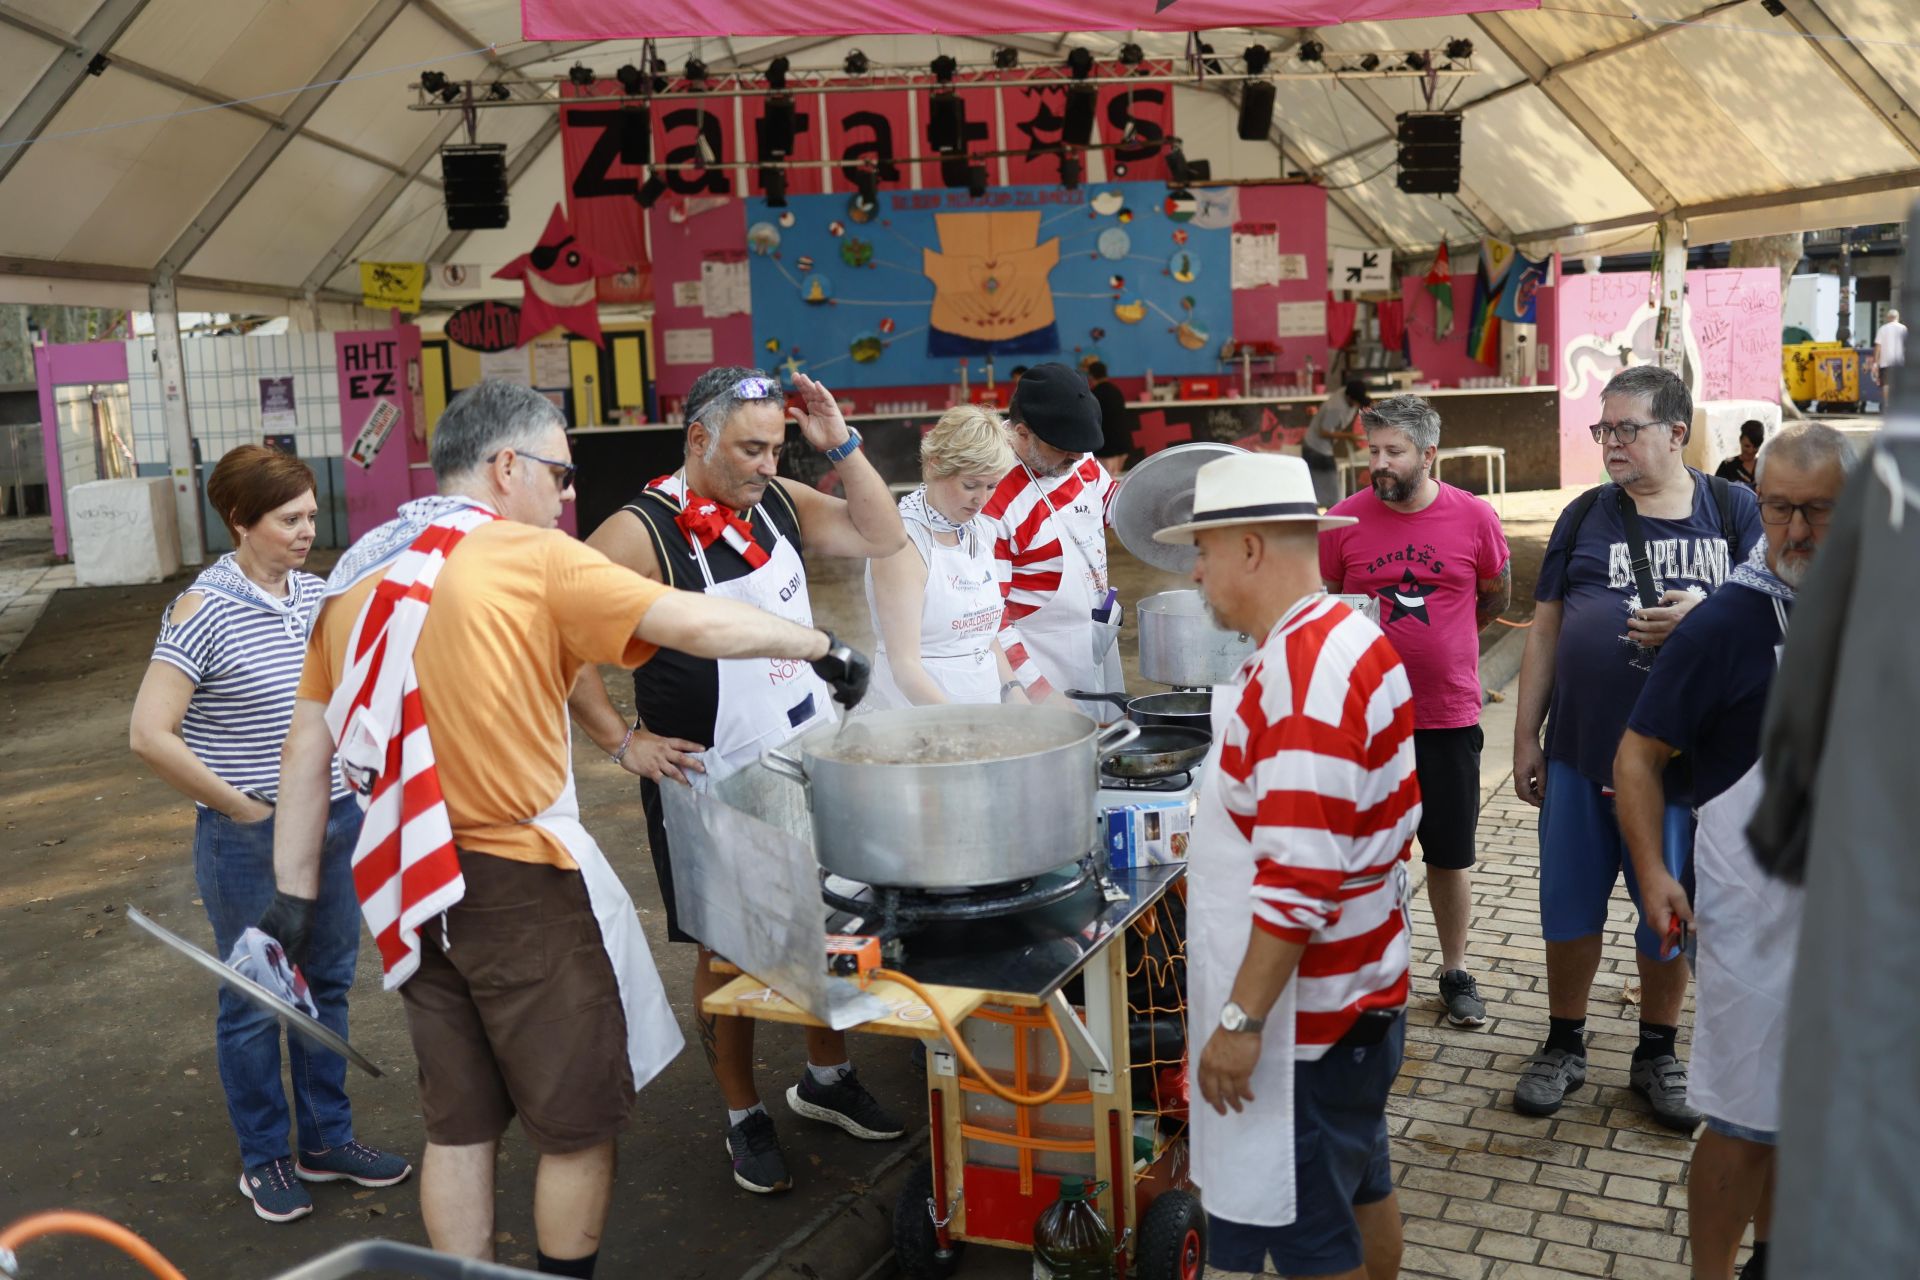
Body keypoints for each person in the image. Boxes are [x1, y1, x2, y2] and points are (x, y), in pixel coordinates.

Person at [262, 381, 871, 1276]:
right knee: (578, 1126)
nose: (567, 496)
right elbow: (690, 621)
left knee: (459, 1127)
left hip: (404, 881)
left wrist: (290, 902)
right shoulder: (527, 554)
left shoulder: (359, 569)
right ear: (506, 467)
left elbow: (306, 752)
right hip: (513, 877)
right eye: (559, 473)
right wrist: (822, 648)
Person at [569, 365, 907, 1197]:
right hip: (708, 774)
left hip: (806, 749)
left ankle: (825, 1078)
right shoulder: (639, 533)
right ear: (698, 438)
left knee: (828, 919)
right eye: (750, 448)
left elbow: (881, 534)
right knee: (729, 951)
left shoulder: (780, 500)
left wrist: (842, 445)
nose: (765, 462)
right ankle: (741, 1113)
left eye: (775, 446)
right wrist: (622, 741)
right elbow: (556, 641)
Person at [129, 445, 410, 1224]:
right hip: (248, 837)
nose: (305, 532)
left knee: (326, 985)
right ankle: (266, 1159)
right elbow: (150, 734)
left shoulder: (319, 594)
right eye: (289, 520)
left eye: (312, 516)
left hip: (333, 820)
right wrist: (245, 808)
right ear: (239, 522)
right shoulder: (201, 608)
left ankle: (326, 1139)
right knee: (256, 999)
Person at [1167, 452, 1419, 1280]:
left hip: (1309, 1027)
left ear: (1248, 548)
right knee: (1361, 1187)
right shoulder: (1343, 634)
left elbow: (1299, 882)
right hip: (1360, 998)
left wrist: (1238, 1025)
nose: (1196, 572)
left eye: (1202, 550)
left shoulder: (1303, 675)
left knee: (1317, 1243)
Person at [1614, 423, 1853, 1280]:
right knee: (1749, 1114)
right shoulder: (1727, 622)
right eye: (1779, 508)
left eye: (1817, 512)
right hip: (1756, 910)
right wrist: (1651, 873)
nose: (1793, 531)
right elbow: (1636, 758)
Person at [1510, 364, 1762, 1127]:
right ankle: (1564, 1041)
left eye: (1627, 428)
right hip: (1583, 751)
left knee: (1670, 914)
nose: (1610, 443)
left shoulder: (1733, 508)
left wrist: (1706, 616)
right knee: (1568, 905)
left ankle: (1658, 1052)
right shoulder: (1584, 516)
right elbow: (1547, 625)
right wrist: (1526, 734)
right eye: (1603, 429)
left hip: (1692, 769)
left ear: (1676, 433)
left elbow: (1781, 614)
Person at [1319, 394, 1510, 1031]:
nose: (1379, 463)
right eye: (1372, 450)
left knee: (1449, 854)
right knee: (1370, 855)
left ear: (1429, 454)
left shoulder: (1474, 517)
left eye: (1393, 452)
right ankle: (1377, 972)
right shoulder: (1342, 521)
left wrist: (1449, 646)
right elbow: (1325, 607)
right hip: (1363, 722)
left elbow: (1495, 592)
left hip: (1447, 715)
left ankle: (1455, 970)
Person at [981, 361, 1122, 721]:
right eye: (1064, 451)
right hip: (1038, 660)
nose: (1076, 460)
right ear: (1022, 433)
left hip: (1094, 637)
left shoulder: (1078, 456)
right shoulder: (994, 503)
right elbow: (991, 620)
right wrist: (1038, 692)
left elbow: (1108, 506)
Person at [864, 404, 1023, 707]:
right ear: (935, 466)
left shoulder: (981, 531)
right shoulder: (903, 545)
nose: (982, 499)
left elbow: (983, 635)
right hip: (918, 720)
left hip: (982, 712)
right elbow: (905, 668)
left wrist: (1015, 693)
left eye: (992, 486)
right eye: (970, 485)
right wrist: (960, 728)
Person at [1301, 378, 1372, 510]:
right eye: (1357, 402)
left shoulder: (1346, 393)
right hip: (1316, 449)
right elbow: (1324, 432)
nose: (1357, 405)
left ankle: (1328, 511)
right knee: (1331, 492)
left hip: (1320, 447)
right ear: (1350, 398)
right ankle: (1331, 514)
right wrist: (1348, 436)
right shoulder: (1335, 408)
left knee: (1324, 489)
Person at [1087, 360, 1132, 476]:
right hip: (1123, 445)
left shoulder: (1094, 394)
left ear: (1091, 376)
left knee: (1108, 481)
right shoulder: (1116, 391)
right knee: (1117, 479)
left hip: (1106, 449)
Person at [1713, 419, 1764, 487]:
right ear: (1740, 440)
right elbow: (1716, 490)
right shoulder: (1727, 466)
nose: (1750, 451)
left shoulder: (1765, 467)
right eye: (1747, 446)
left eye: (1755, 447)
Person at [1872, 308, 1904, 411]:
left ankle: (1887, 405)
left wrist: (1875, 362)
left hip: (1885, 362)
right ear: (1897, 318)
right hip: (1900, 362)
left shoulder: (1883, 329)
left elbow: (1878, 347)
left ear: (1888, 318)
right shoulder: (1904, 329)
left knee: (1886, 384)